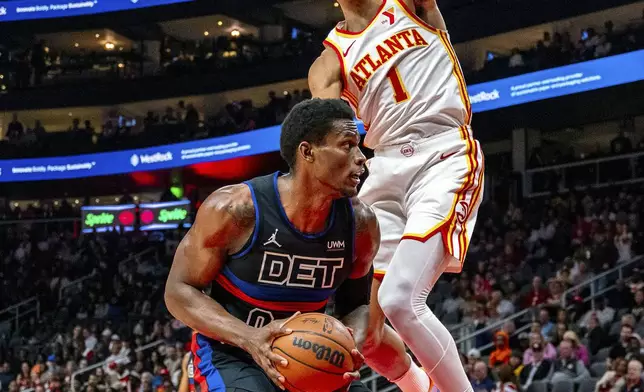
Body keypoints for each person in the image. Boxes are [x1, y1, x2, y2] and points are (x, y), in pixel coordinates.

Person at [309, 0, 483, 391]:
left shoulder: (409, 4)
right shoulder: (328, 62)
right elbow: (334, 137)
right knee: (365, 336)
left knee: (401, 299)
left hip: (441, 152)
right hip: (382, 169)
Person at [165, 99, 379, 392]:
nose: (361, 157)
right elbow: (179, 291)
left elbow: (357, 304)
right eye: (347, 145)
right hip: (232, 353)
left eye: (359, 145)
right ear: (308, 152)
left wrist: (345, 347)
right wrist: (249, 338)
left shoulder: (361, 224)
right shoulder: (235, 209)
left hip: (308, 357)